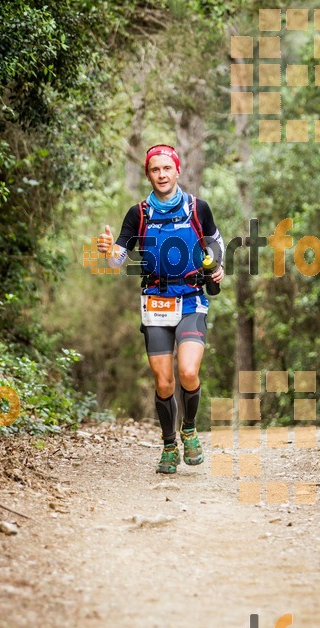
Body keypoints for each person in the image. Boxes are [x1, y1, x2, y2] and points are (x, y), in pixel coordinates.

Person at [97, 143, 224, 474]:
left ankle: (190, 430)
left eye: (167, 168)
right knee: (164, 381)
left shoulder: (198, 208)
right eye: (155, 169)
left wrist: (218, 264)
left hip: (193, 297)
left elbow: (216, 243)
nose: (162, 174)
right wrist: (108, 250)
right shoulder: (138, 214)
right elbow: (117, 260)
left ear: (177, 171)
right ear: (148, 174)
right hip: (155, 301)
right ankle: (169, 444)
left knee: (189, 372)